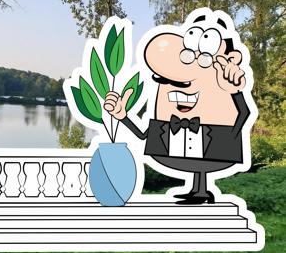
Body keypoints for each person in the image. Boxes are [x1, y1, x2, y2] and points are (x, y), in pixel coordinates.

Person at [104, 12, 251, 205]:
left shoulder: (225, 82)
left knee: (203, 161)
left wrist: (235, 97)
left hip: (215, 140)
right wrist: (122, 115)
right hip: (176, 142)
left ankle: (201, 191)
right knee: (197, 162)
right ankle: (197, 190)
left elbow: (245, 112)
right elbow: (142, 135)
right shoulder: (166, 119)